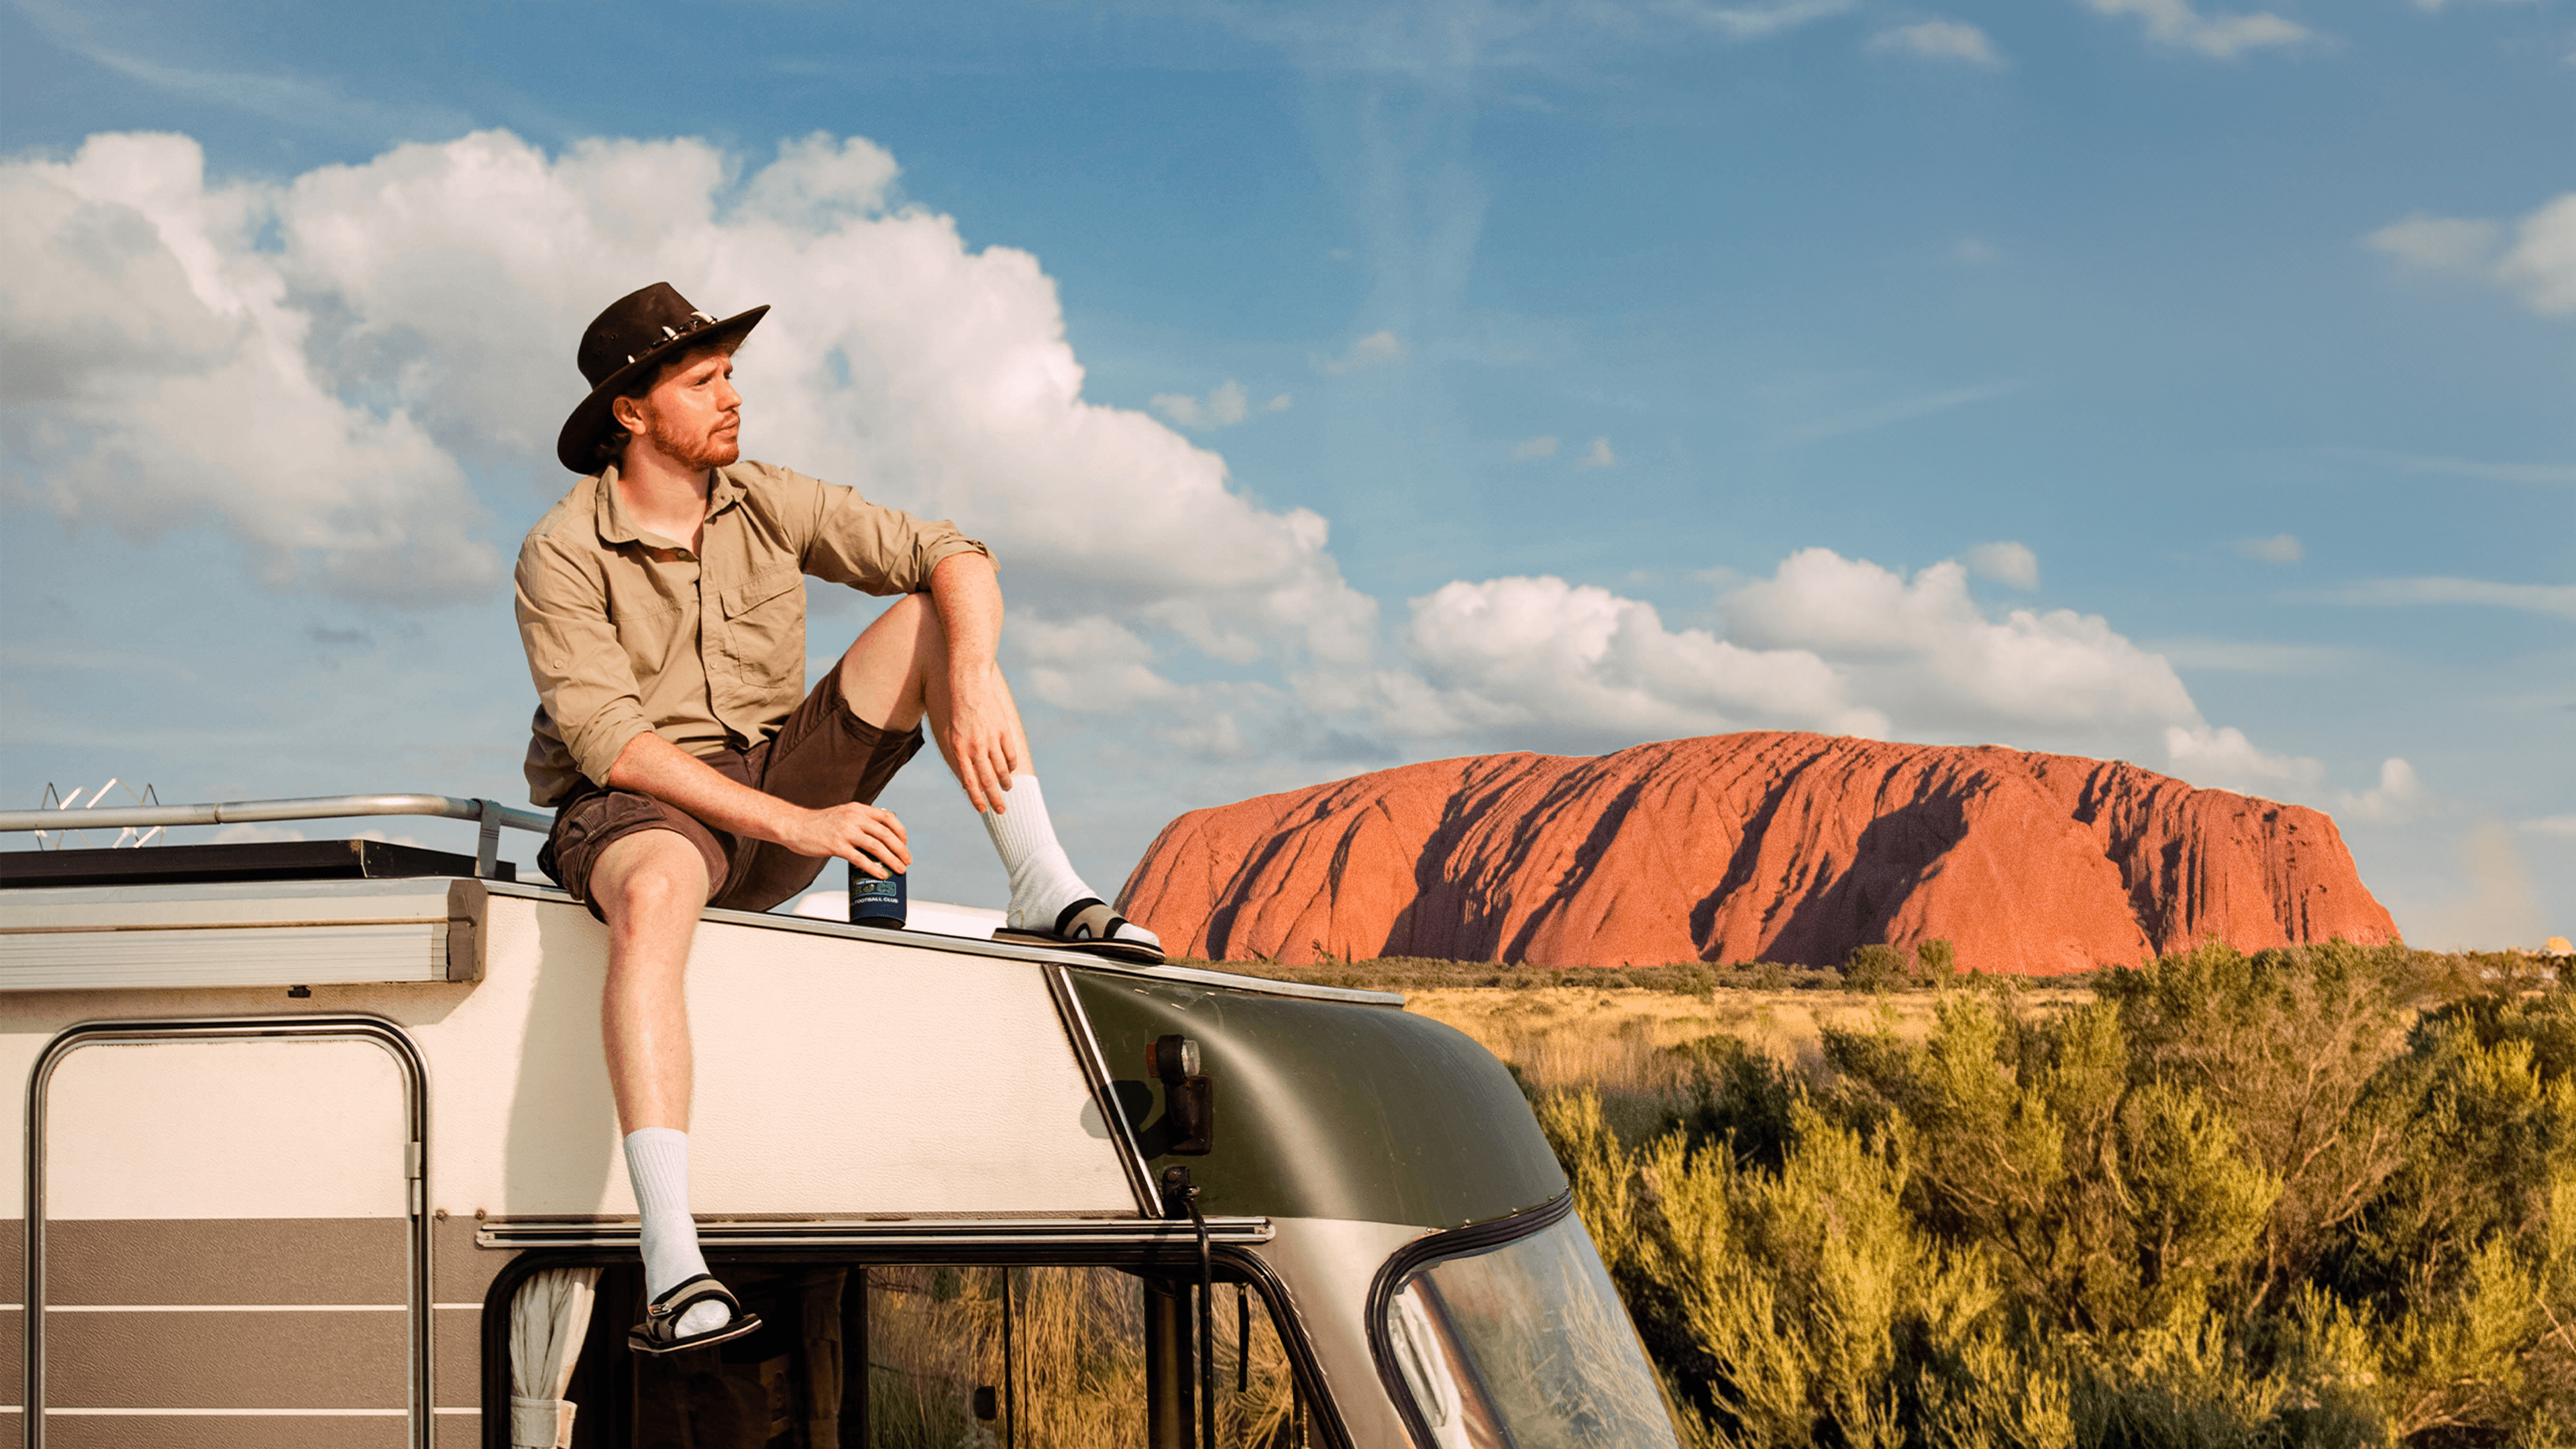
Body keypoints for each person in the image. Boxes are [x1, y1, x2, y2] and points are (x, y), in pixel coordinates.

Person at [515, 282, 1162, 1354]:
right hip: (645, 807)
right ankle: (674, 1266)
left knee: (932, 619)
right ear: (632, 412)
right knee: (657, 883)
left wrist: (979, 668)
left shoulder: (766, 497)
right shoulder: (562, 551)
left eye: (730, 374)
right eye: (703, 380)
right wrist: (802, 825)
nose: (733, 396)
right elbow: (614, 745)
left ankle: (1043, 886)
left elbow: (950, 549)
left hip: (774, 785)